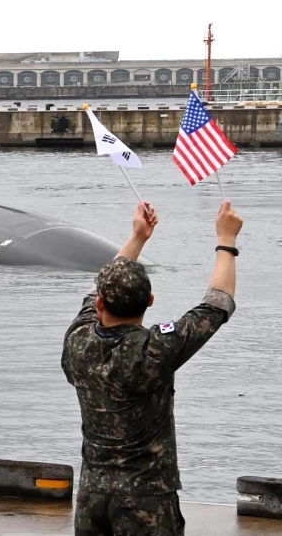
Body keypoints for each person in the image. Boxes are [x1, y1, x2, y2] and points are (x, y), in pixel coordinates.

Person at [63, 200, 241, 536]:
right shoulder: (155, 350)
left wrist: (137, 238)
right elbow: (217, 303)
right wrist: (226, 239)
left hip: (92, 497)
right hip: (147, 499)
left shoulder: (78, 341)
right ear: (150, 301)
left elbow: (95, 291)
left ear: (100, 303)